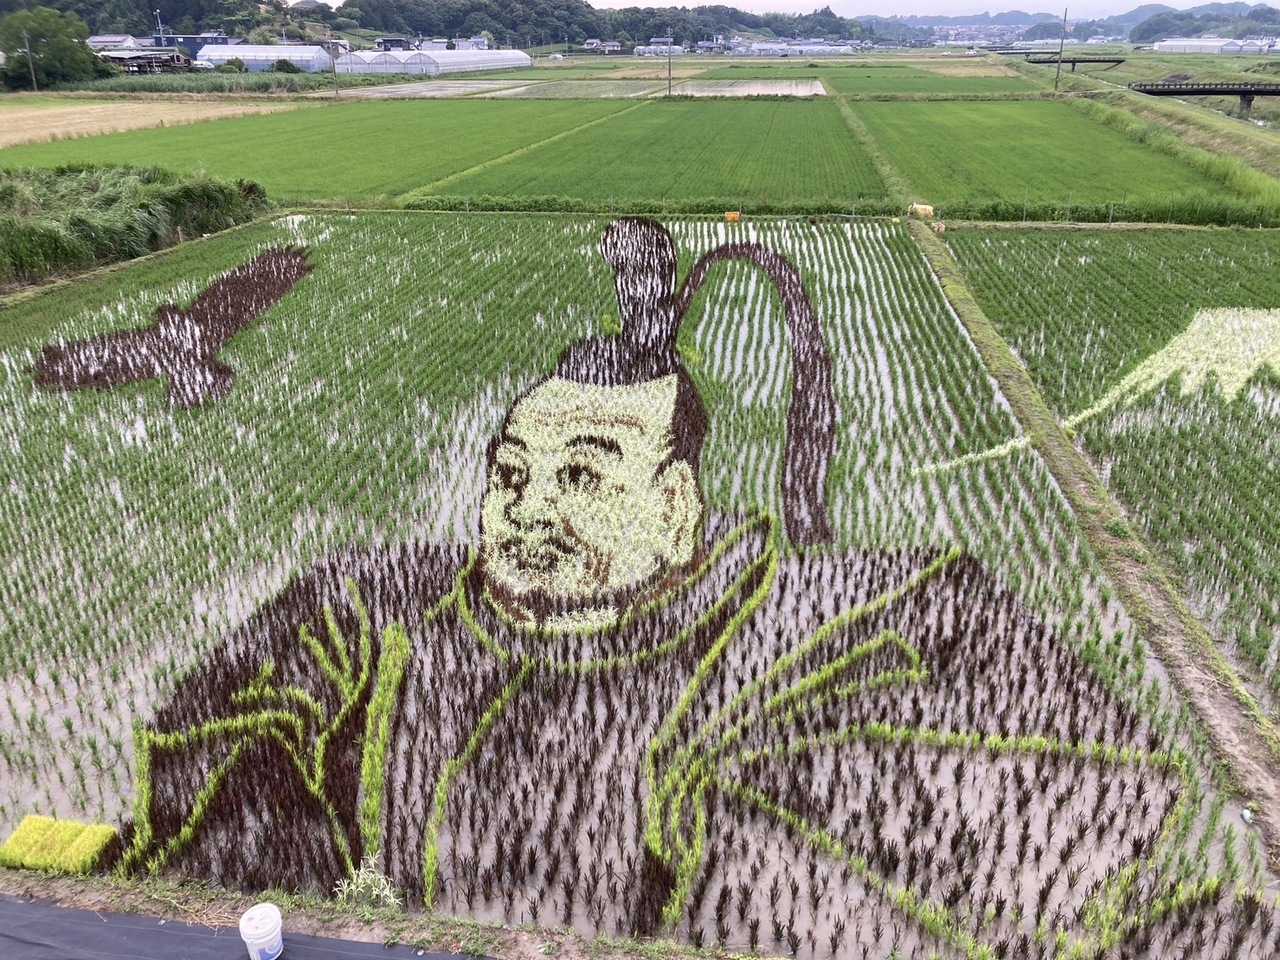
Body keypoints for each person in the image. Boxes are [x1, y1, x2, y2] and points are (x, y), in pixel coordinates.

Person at [119, 219, 1238, 958]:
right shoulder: (372, 611)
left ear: (675, 505)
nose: (528, 509)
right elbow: (216, 773)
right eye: (509, 476)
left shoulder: (844, 627)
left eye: (580, 476)